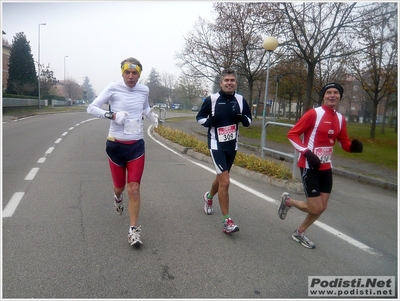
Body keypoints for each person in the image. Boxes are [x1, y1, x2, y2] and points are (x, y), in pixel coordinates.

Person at [277, 83, 363, 249]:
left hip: (326, 168)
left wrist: (352, 148)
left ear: (340, 96)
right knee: (315, 208)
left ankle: (299, 232)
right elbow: (292, 134)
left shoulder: (340, 118)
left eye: (336, 93)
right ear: (323, 96)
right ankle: (288, 201)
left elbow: (343, 141)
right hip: (310, 166)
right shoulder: (314, 114)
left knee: (321, 207)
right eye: (329, 92)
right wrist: (307, 153)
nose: (332, 95)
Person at [87, 57, 158, 247]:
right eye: (127, 72)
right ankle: (117, 198)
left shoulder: (144, 90)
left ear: (139, 74)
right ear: (122, 73)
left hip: (136, 146)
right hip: (115, 145)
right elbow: (91, 108)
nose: (131, 76)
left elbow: (143, 107)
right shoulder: (113, 87)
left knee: (133, 189)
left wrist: (150, 114)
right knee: (119, 188)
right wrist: (112, 115)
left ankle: (133, 231)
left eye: (135, 73)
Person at [196, 69, 252, 234]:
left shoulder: (241, 100)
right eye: (226, 80)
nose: (229, 83)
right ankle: (227, 220)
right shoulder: (212, 99)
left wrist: (241, 117)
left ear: (236, 83)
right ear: (221, 83)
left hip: (232, 145)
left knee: (221, 178)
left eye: (232, 80)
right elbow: (199, 117)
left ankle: (209, 197)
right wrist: (209, 122)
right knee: (225, 182)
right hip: (216, 144)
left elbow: (249, 121)